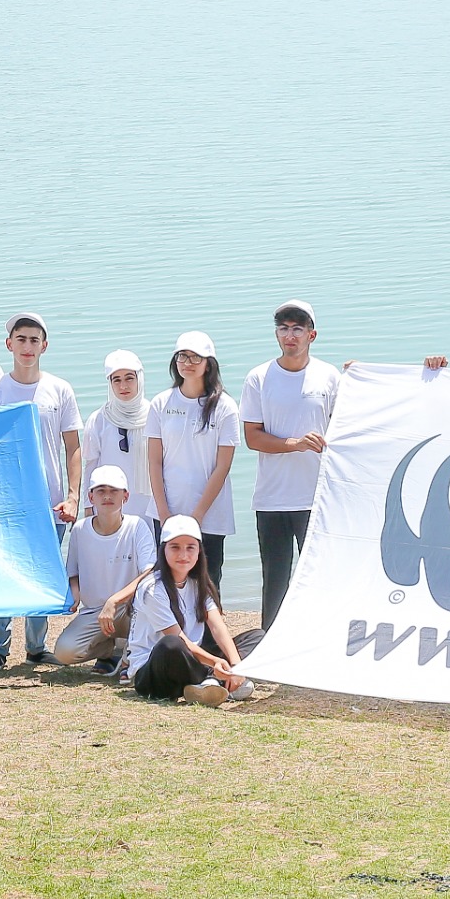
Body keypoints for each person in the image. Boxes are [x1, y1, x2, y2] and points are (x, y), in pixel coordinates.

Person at [0, 313, 83, 667]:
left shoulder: (59, 389)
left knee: (42, 572)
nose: (28, 346)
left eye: (34, 340)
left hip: (50, 500)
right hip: (5, 501)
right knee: (4, 571)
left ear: (45, 345)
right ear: (9, 344)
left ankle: (36, 648)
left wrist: (72, 495)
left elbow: (72, 446)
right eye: (21, 339)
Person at [241, 300, 340, 630]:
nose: (290, 335)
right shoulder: (259, 377)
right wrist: (295, 444)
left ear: (312, 334)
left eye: (297, 329)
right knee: (275, 578)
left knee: (321, 575)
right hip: (271, 499)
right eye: (283, 329)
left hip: (317, 498)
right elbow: (253, 437)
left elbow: (347, 428)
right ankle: (269, 642)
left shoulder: (329, 376)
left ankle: (321, 638)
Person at [147, 332, 239, 587]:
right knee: (167, 582)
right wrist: (164, 512)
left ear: (208, 363)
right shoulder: (161, 403)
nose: (188, 362)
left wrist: (197, 514)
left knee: (208, 583)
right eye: (182, 356)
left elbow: (223, 466)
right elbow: (154, 462)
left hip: (210, 515)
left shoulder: (225, 407)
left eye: (195, 357)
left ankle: (210, 629)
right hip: (167, 510)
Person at [127, 516, 250, 705]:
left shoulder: (198, 584)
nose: (183, 555)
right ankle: (214, 681)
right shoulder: (152, 588)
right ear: (163, 550)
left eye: (190, 547)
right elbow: (178, 638)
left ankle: (216, 682)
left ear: (199, 551)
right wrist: (215, 662)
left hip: (193, 661)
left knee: (256, 637)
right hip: (155, 671)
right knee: (171, 644)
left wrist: (235, 663)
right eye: (175, 547)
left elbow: (217, 627)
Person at [53, 465, 156, 671]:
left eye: (113, 491)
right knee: (64, 653)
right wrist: (75, 594)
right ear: (91, 497)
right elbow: (73, 573)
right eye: (101, 491)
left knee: (155, 627)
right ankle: (110, 650)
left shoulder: (138, 526)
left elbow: (149, 572)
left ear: (125, 496)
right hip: (95, 612)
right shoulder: (80, 530)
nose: (107, 496)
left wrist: (114, 601)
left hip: (131, 608)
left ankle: (129, 649)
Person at [80, 350, 154, 522]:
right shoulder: (99, 420)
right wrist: (88, 508)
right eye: (117, 380)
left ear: (139, 379)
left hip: (149, 505)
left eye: (129, 378)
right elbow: (90, 467)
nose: (123, 386)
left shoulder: (154, 415)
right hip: (109, 504)